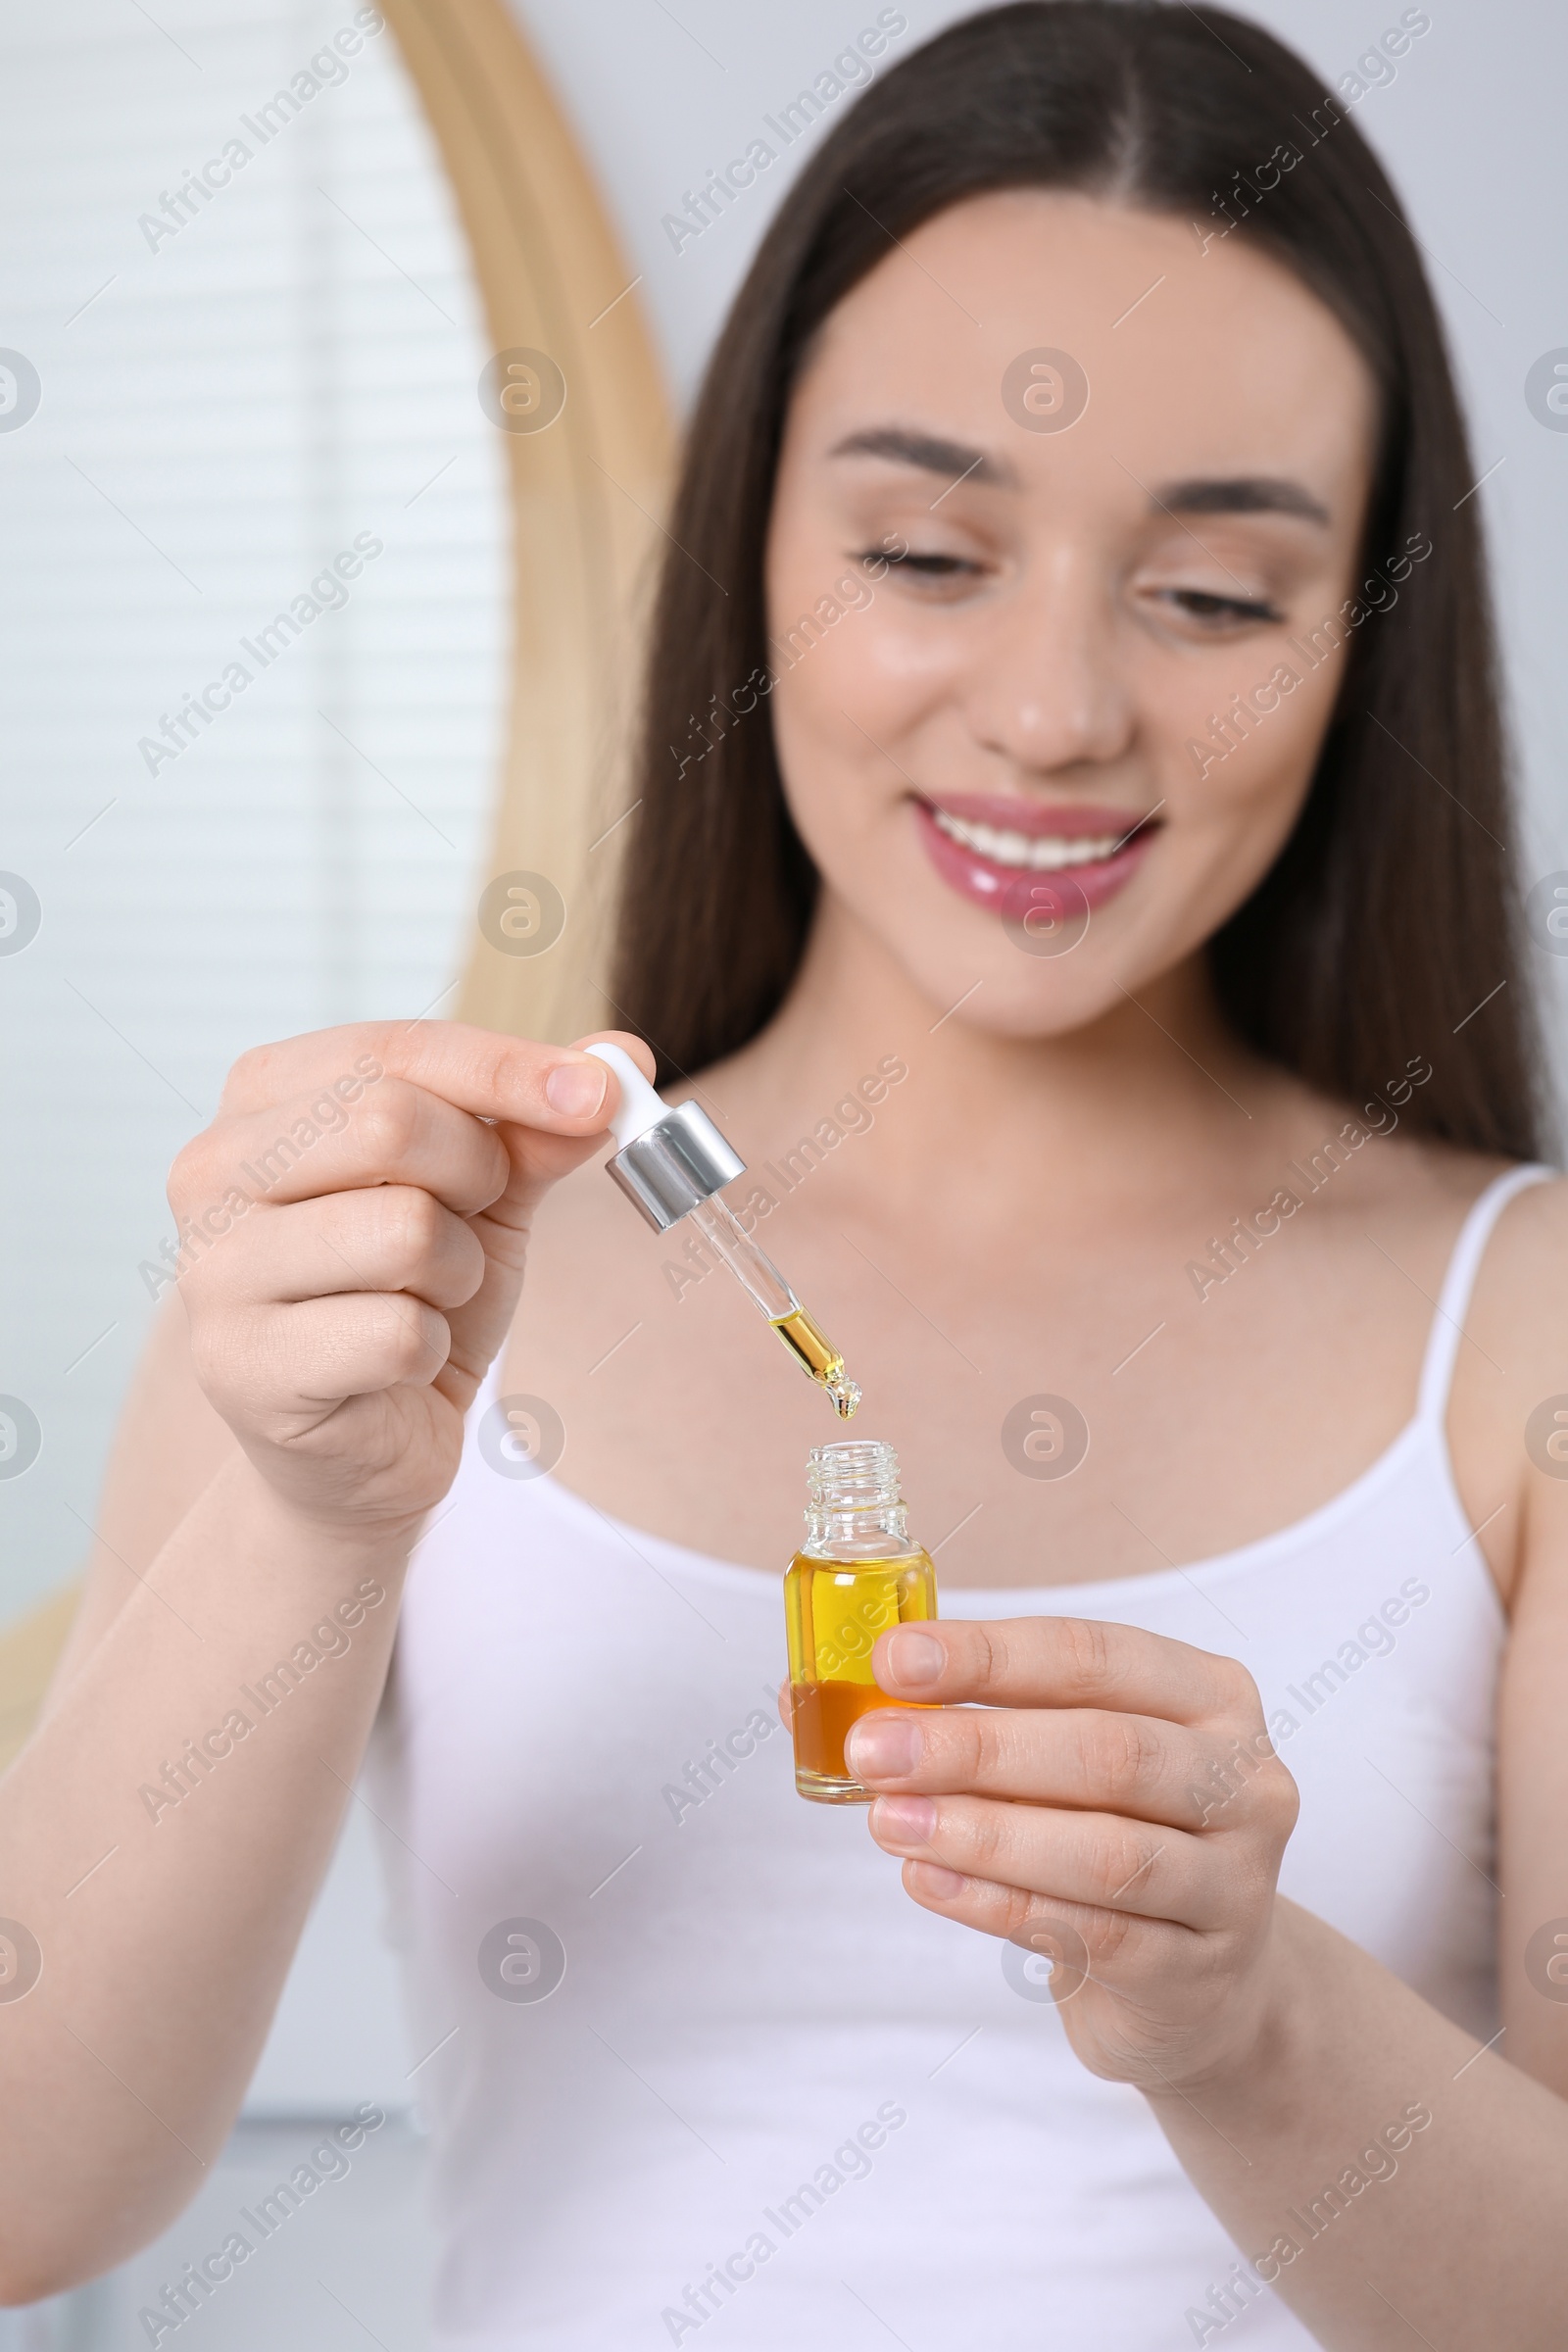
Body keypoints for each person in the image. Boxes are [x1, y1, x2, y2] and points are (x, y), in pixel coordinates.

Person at [4, 3, 1566, 2344]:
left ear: (1363, 637)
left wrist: (1245, 2021)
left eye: (1216, 594)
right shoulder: (397, 1287)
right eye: (928, 550)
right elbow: (32, 2180)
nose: (1052, 711)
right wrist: (318, 1513)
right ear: (745, 546)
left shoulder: (1516, 1330)